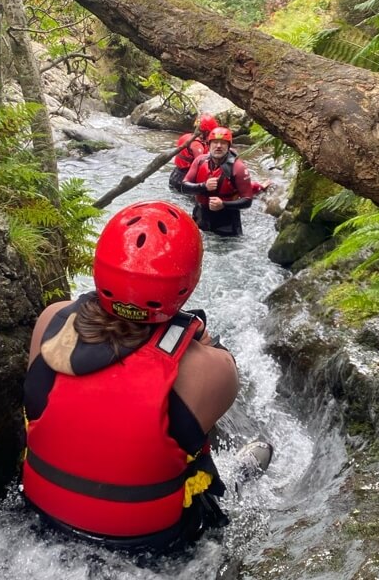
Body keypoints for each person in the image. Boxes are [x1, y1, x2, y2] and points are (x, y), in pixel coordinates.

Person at [20, 200, 241, 553]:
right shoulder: (212, 369)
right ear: (187, 282)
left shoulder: (52, 320)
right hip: (145, 543)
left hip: (42, 515)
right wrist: (201, 342)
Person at [180, 127, 255, 237]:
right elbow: (184, 187)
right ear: (209, 145)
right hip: (201, 215)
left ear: (229, 146)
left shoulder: (238, 167)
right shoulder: (200, 161)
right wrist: (203, 186)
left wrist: (223, 204)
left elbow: (247, 201)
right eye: (215, 142)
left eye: (223, 143)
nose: (218, 146)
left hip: (226, 220)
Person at [168, 113, 219, 192]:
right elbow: (203, 166)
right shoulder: (197, 145)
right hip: (184, 179)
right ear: (206, 132)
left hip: (175, 175)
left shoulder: (187, 137)